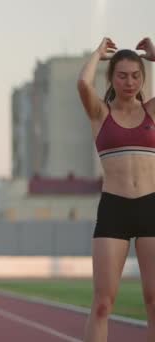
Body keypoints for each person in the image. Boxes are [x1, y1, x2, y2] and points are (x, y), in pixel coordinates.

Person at [77, 37, 155, 341]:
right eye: (122, 75)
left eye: (136, 75)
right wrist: (97, 53)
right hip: (114, 209)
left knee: (153, 300)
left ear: (143, 77)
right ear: (111, 78)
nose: (129, 82)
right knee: (102, 304)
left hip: (150, 207)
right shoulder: (101, 114)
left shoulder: (151, 111)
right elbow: (83, 84)